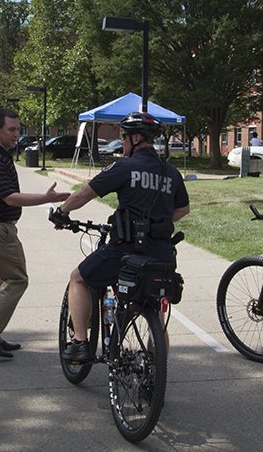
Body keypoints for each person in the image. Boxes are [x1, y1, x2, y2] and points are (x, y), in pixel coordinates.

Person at [52, 112, 190, 363]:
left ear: (136, 138)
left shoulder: (124, 167)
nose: (123, 142)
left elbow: (84, 194)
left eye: (124, 137)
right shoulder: (171, 172)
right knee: (157, 313)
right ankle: (154, 376)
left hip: (126, 251)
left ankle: (81, 343)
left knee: (79, 278)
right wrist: (158, 223)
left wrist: (62, 212)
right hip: (161, 253)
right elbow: (182, 210)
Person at [0, 108, 70, 358]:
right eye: (12, 130)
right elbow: (10, 198)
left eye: (18, 129)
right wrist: (46, 199)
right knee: (17, 279)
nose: (17, 134)